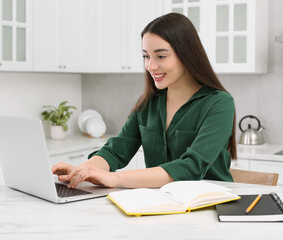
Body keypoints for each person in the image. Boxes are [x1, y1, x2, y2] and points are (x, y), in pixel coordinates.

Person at [52, 13, 237, 189]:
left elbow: (191, 167)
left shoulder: (219, 103)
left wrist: (115, 178)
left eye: (161, 56)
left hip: (208, 208)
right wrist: (81, 172)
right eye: (146, 56)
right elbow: (116, 150)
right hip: (160, 206)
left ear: (187, 54)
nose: (150, 66)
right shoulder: (148, 102)